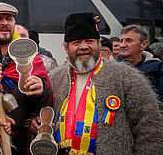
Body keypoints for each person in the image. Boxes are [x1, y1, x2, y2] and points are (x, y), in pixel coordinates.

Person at [30, 12, 163, 154]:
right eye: (76, 43)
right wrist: (36, 121)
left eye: (89, 41)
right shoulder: (55, 78)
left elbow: (150, 128)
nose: (83, 47)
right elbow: (43, 113)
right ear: (66, 49)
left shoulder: (127, 76)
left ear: (98, 44)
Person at [0, 2, 53, 155]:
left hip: (21, 145)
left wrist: (42, 92)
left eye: (9, 19)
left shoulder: (31, 57)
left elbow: (46, 105)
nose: (5, 23)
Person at [117, 25, 163, 103]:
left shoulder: (159, 68)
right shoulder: (112, 68)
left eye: (129, 40)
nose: (122, 45)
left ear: (144, 44)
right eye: (121, 41)